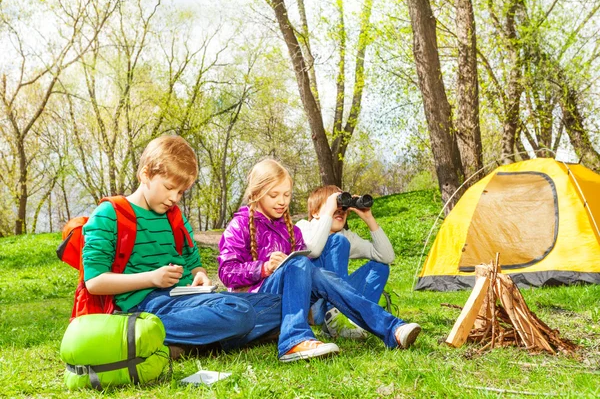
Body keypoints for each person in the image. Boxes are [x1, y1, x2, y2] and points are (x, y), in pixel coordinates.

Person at [82, 135, 281, 358]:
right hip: (146, 305)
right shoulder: (109, 215)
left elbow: (194, 265)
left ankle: (192, 342)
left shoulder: (175, 218)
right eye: (169, 188)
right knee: (240, 313)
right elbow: (95, 282)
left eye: (180, 192)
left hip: (186, 298)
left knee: (278, 303)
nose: (174, 198)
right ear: (145, 174)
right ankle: (139, 333)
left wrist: (200, 277)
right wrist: (152, 278)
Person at [218, 158, 421, 363]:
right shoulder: (240, 224)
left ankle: (392, 329)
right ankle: (294, 340)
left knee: (312, 270)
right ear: (256, 194)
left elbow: (308, 272)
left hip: (290, 301)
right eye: (274, 195)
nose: (282, 201)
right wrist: (264, 267)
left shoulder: (291, 230)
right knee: (301, 263)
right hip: (256, 302)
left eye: (287, 195)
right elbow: (226, 272)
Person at [296, 185, 394, 339]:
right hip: (311, 305)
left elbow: (387, 256)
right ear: (315, 213)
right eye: (335, 206)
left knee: (380, 267)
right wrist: (329, 215)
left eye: (343, 208)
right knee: (337, 241)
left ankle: (353, 321)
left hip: (340, 299)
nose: (340, 210)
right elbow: (314, 249)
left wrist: (369, 218)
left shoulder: (345, 236)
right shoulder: (303, 227)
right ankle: (334, 317)